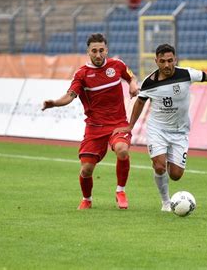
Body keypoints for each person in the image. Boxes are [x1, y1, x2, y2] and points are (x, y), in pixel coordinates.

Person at [113, 44, 207, 212]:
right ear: (156, 61)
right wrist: (130, 126)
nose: (167, 65)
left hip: (180, 131)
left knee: (176, 175)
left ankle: (167, 175)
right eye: (163, 61)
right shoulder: (149, 83)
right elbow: (140, 102)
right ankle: (165, 202)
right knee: (159, 166)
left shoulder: (186, 74)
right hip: (157, 129)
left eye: (170, 61)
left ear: (175, 59)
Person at [42, 33, 138, 210]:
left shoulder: (117, 65)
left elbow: (131, 77)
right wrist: (54, 103)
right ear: (88, 52)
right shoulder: (82, 74)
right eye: (94, 51)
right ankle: (87, 199)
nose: (98, 54)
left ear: (106, 50)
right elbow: (70, 96)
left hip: (118, 123)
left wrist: (132, 84)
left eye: (101, 50)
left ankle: (120, 191)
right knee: (86, 170)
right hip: (94, 127)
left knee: (122, 150)